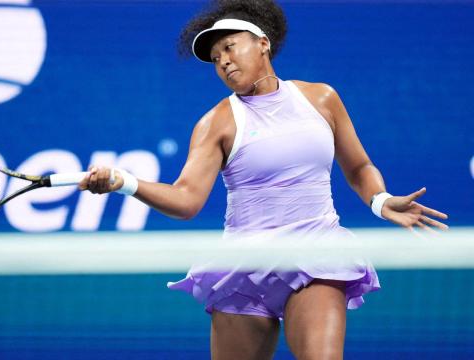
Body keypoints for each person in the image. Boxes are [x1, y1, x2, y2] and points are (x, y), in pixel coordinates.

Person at [78, 0, 449, 358]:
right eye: (215, 58)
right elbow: (186, 199)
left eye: (229, 47)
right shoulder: (216, 123)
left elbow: (359, 167)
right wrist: (123, 181)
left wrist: (380, 201)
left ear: (262, 43)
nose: (222, 60)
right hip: (246, 264)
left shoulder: (321, 99)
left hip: (316, 252)